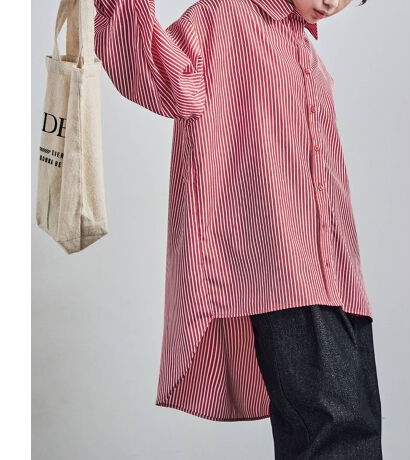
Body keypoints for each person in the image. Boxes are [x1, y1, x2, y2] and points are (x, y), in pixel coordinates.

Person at [94, 0, 383, 458]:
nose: (334, 3)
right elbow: (160, 78)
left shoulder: (302, 47)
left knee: (354, 426)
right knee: (334, 430)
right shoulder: (224, 16)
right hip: (281, 269)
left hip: (339, 277)